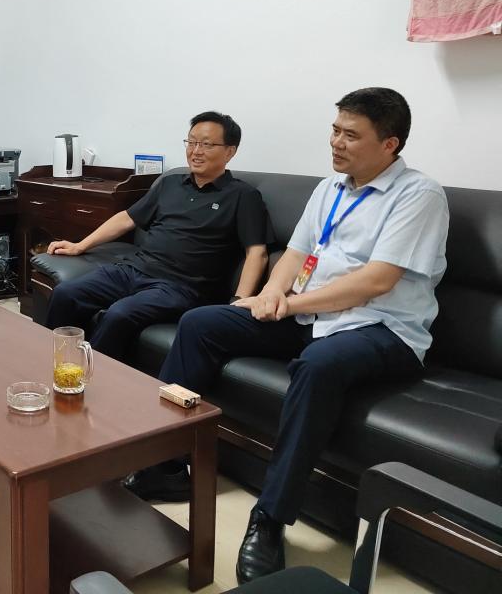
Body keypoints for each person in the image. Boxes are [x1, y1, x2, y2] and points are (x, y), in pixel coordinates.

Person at [125, 88, 448, 584]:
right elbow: (295, 255)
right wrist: (270, 293)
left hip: (382, 329)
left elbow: (376, 281)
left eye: (351, 135)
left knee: (317, 366)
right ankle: (163, 465)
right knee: (201, 323)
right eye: (335, 130)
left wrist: (288, 304)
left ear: (390, 144)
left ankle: (270, 519)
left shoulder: (419, 196)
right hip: (311, 317)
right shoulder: (329, 188)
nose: (336, 142)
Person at [44, 111, 271, 364]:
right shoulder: (170, 183)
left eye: (207, 144)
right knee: (66, 294)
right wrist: (79, 246)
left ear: (230, 151)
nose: (196, 151)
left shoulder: (242, 196)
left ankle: (90, 378)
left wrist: (237, 303)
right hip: (133, 269)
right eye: (191, 142)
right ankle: (53, 365)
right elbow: (126, 218)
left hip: (181, 287)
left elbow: (257, 253)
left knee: (119, 314)